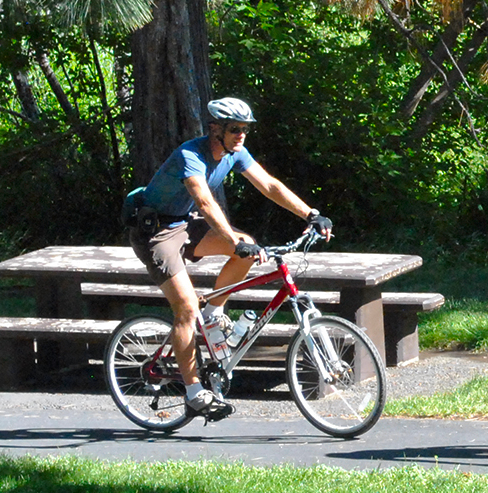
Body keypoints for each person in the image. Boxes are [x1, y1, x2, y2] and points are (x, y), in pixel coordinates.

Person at [124, 97, 332, 419]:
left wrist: (311, 214)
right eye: (235, 129)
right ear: (215, 129)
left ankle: (213, 312)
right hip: (155, 233)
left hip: (183, 224)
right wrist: (233, 240)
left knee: (246, 247)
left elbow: (270, 186)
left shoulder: (235, 153)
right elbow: (205, 204)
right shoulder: (189, 155)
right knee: (185, 309)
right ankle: (194, 393)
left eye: (245, 130)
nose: (241, 135)